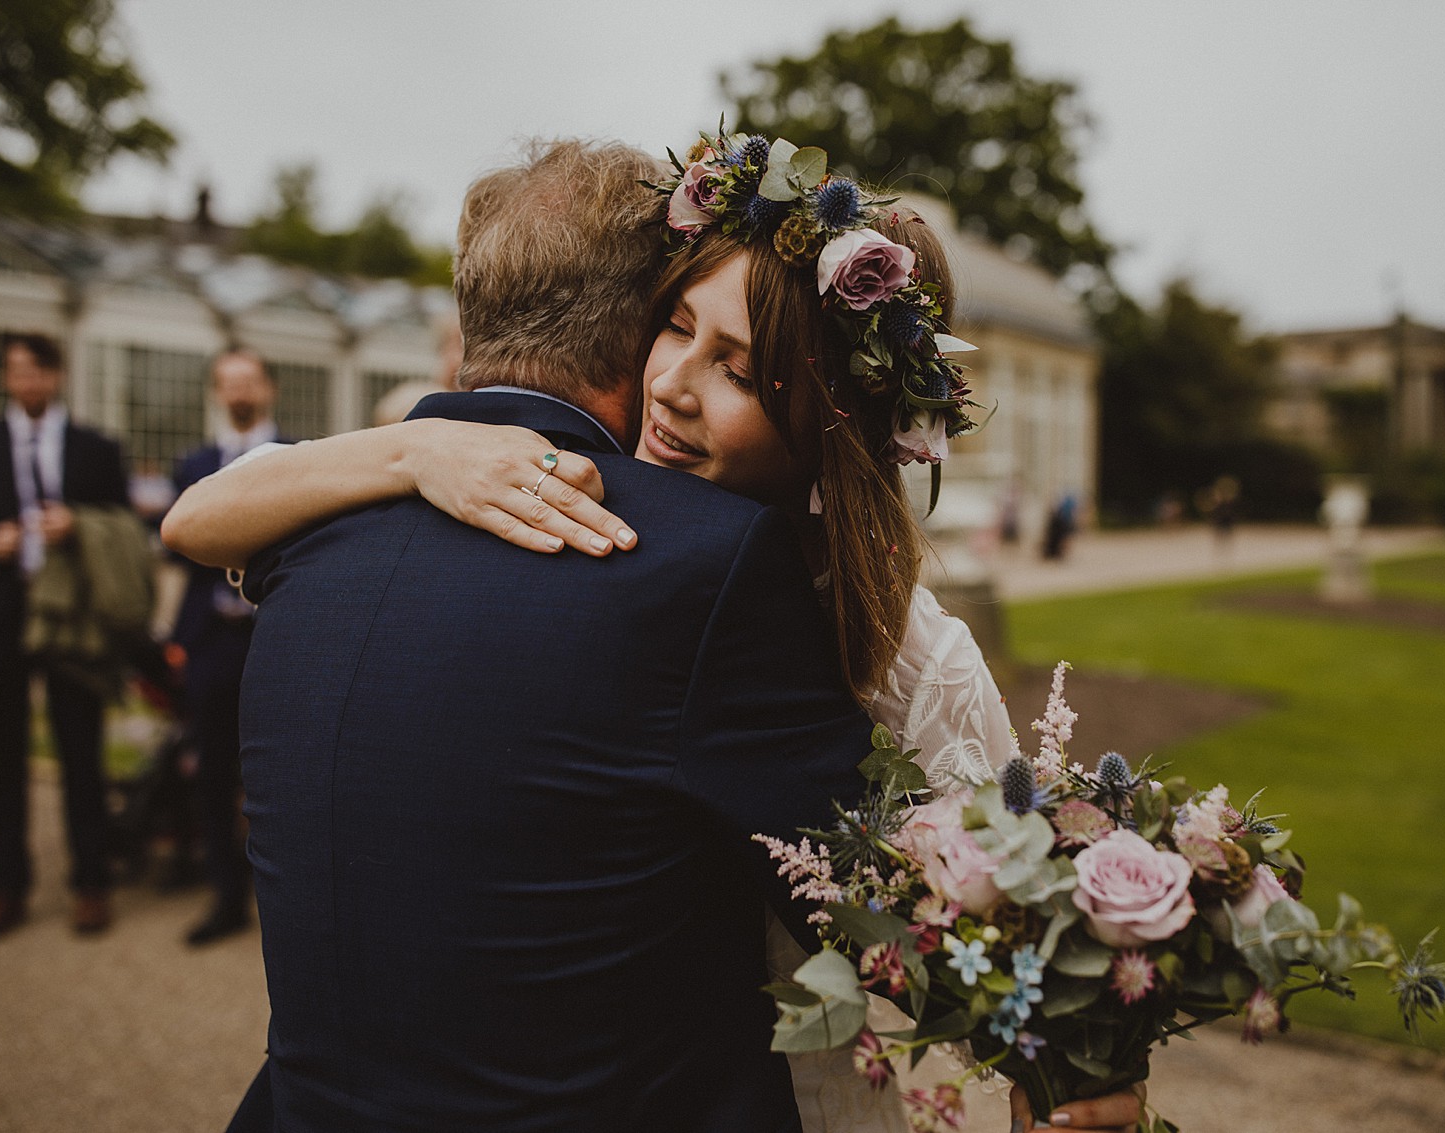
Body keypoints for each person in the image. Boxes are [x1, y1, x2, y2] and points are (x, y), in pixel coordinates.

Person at [165, 136, 1143, 1133]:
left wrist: (1058, 1051)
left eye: (736, 367)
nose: (673, 382)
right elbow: (198, 514)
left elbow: (951, 911)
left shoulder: (883, 641)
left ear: (826, 422)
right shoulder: (573, 522)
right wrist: (418, 443)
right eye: (672, 326)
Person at [0, 332, 131, 938]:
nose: (29, 383)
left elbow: (125, 524)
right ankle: (6, 884)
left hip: (72, 621)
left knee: (80, 750)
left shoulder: (96, 447)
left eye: (39, 371)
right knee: (1, 754)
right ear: (5, 379)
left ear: (57, 375)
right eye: (18, 372)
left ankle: (91, 882)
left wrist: (80, 526)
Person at [168, 349, 293, 946]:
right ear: (218, 392)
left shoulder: (302, 459)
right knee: (212, 771)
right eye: (229, 383)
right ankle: (224, 896)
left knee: (282, 775)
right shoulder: (192, 465)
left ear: (266, 387)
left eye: (249, 381)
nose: (240, 392)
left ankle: (288, 901)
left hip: (274, 640)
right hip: (211, 644)